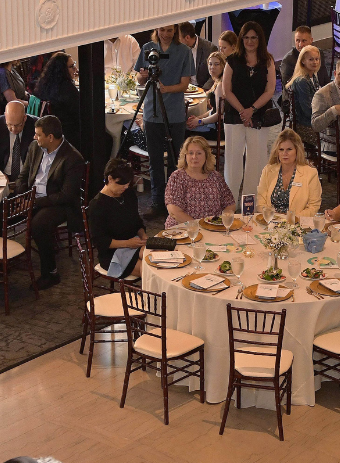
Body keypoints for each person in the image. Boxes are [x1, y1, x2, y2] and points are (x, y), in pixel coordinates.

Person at [136, 23, 195, 214]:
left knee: (175, 161)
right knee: (154, 160)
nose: (166, 34)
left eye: (170, 30)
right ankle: (156, 203)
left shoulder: (184, 51)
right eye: (162, 30)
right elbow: (139, 78)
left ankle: (174, 201)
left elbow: (185, 84)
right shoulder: (147, 48)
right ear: (156, 30)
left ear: (176, 31)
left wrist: (166, 89)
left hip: (175, 113)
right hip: (152, 112)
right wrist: (143, 76)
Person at [25, 115, 86, 289]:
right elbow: (24, 176)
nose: (34, 138)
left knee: (39, 224)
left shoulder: (73, 158)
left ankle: (50, 273)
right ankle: (5, 260)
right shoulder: (34, 148)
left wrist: (37, 203)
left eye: (38, 134)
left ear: (50, 137)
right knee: (1, 213)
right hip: (33, 198)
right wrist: (21, 197)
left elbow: (66, 195)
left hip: (59, 204)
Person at [220, 22, 279, 197]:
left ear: (260, 39)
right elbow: (226, 90)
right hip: (234, 114)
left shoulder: (267, 60)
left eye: (254, 37)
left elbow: (270, 90)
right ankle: (230, 202)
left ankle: (250, 203)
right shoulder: (232, 60)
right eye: (246, 37)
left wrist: (251, 110)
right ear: (241, 39)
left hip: (258, 115)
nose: (250, 41)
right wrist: (242, 111)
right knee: (233, 160)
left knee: (257, 160)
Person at [86, 159, 148, 276]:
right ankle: (149, 294)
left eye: (128, 184)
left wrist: (142, 235)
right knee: (148, 270)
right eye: (122, 184)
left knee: (156, 261)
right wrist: (127, 243)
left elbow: (137, 222)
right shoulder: (97, 205)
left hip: (133, 242)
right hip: (112, 252)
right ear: (110, 179)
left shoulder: (128, 194)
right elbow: (100, 241)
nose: (125, 187)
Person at [162, 136, 234, 228]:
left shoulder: (216, 177)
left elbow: (230, 204)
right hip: (183, 228)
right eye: (190, 153)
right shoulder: (177, 177)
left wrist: (222, 221)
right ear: (185, 156)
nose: (194, 157)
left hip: (212, 227)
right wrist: (198, 226)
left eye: (199, 153)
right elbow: (174, 212)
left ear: (206, 155)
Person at [255, 129, 322, 220]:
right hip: (271, 221)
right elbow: (260, 202)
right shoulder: (268, 170)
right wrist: (273, 217)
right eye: (281, 149)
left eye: (289, 149)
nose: (284, 154)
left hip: (297, 223)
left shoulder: (310, 173)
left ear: (297, 151)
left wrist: (292, 219)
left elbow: (314, 207)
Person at [0, 100, 38, 192]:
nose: (14, 129)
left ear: (24, 118)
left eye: (18, 125)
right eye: (9, 125)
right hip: (1, 176)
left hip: (27, 179)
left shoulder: (36, 127)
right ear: (5, 117)